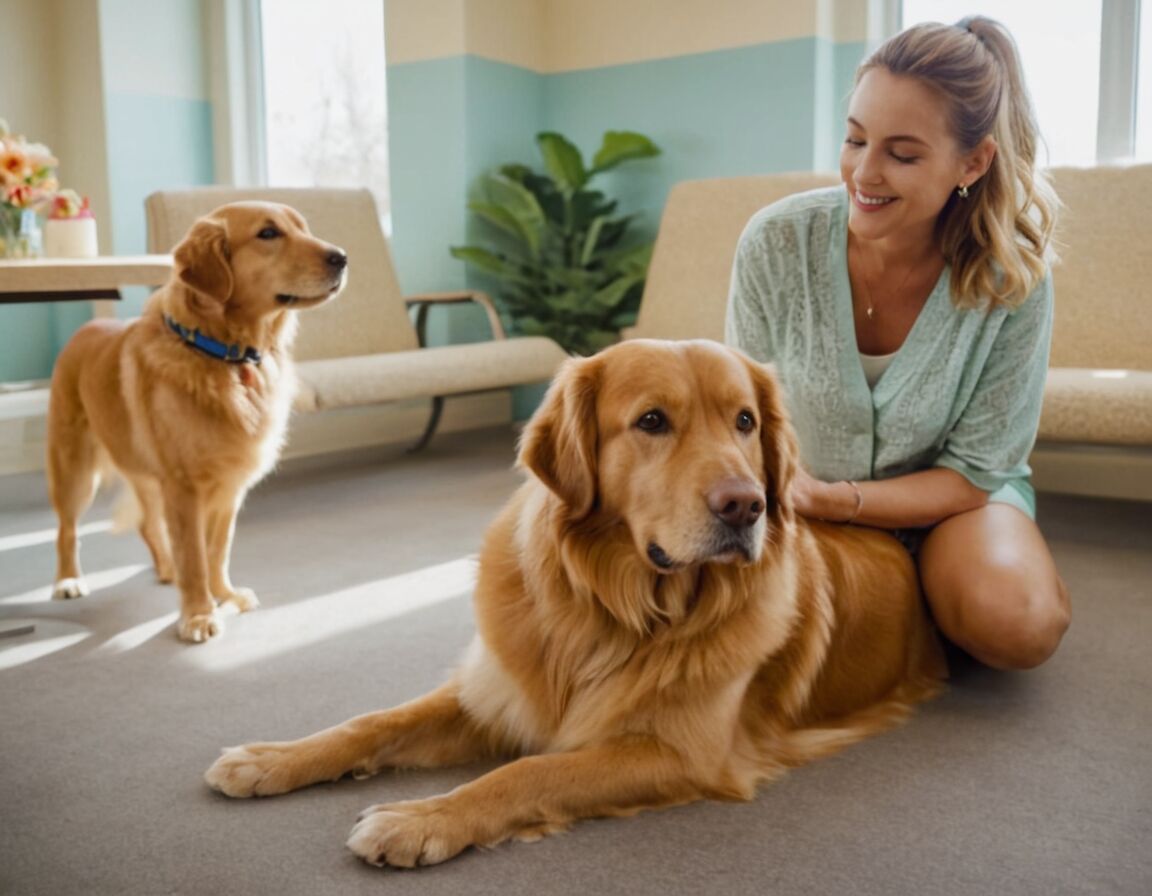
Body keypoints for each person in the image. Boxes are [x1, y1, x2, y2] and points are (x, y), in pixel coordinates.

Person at [725, 16, 1070, 671]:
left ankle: (954, 575)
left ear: (972, 162)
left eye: (902, 154)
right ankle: (916, 597)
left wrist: (843, 502)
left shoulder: (1013, 279)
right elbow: (742, 417)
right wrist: (792, 491)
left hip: (951, 507)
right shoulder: (775, 242)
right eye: (855, 140)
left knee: (1016, 625)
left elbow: (976, 471)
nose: (865, 173)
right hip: (800, 499)